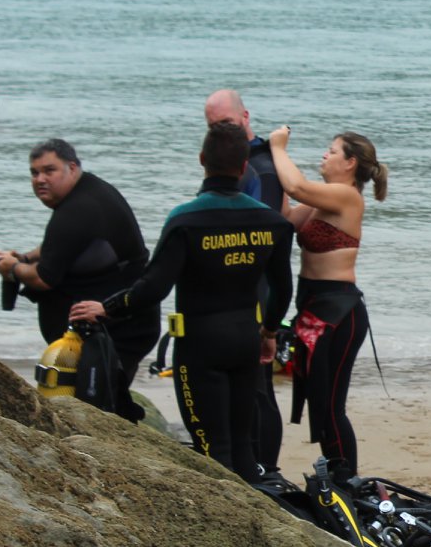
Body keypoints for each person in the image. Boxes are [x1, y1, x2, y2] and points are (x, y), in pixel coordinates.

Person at [70, 121, 292, 482]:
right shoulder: (271, 222)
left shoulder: (186, 219)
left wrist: (106, 308)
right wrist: (268, 332)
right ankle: (255, 505)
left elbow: (153, 287)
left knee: (212, 450)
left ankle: (228, 514)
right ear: (243, 168)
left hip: (200, 346)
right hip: (245, 340)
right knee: (243, 446)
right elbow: (283, 289)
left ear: (202, 159)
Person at [0, 139, 160, 422]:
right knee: (102, 406)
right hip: (123, 322)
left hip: (120, 329)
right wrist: (25, 257)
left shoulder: (77, 210)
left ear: (72, 167)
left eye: (49, 170)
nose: (40, 179)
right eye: (34, 173)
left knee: (98, 413)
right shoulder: (87, 193)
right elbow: (62, 247)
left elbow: (43, 278)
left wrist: (14, 268)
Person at [268, 125, 387, 482]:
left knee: (331, 406)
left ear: (350, 163)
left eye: (332, 151)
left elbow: (297, 186)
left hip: (340, 312)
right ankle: (338, 475)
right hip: (314, 308)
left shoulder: (347, 196)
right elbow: (286, 217)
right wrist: (267, 167)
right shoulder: (321, 202)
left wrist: (278, 147)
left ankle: (346, 479)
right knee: (319, 403)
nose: (324, 154)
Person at [205, 88, 286, 472]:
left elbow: (262, 234)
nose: (221, 130)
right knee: (242, 388)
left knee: (258, 387)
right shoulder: (235, 162)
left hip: (254, 289)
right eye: (213, 125)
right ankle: (248, 463)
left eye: (226, 122)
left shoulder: (262, 168)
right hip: (230, 293)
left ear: (246, 117)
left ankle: (266, 467)